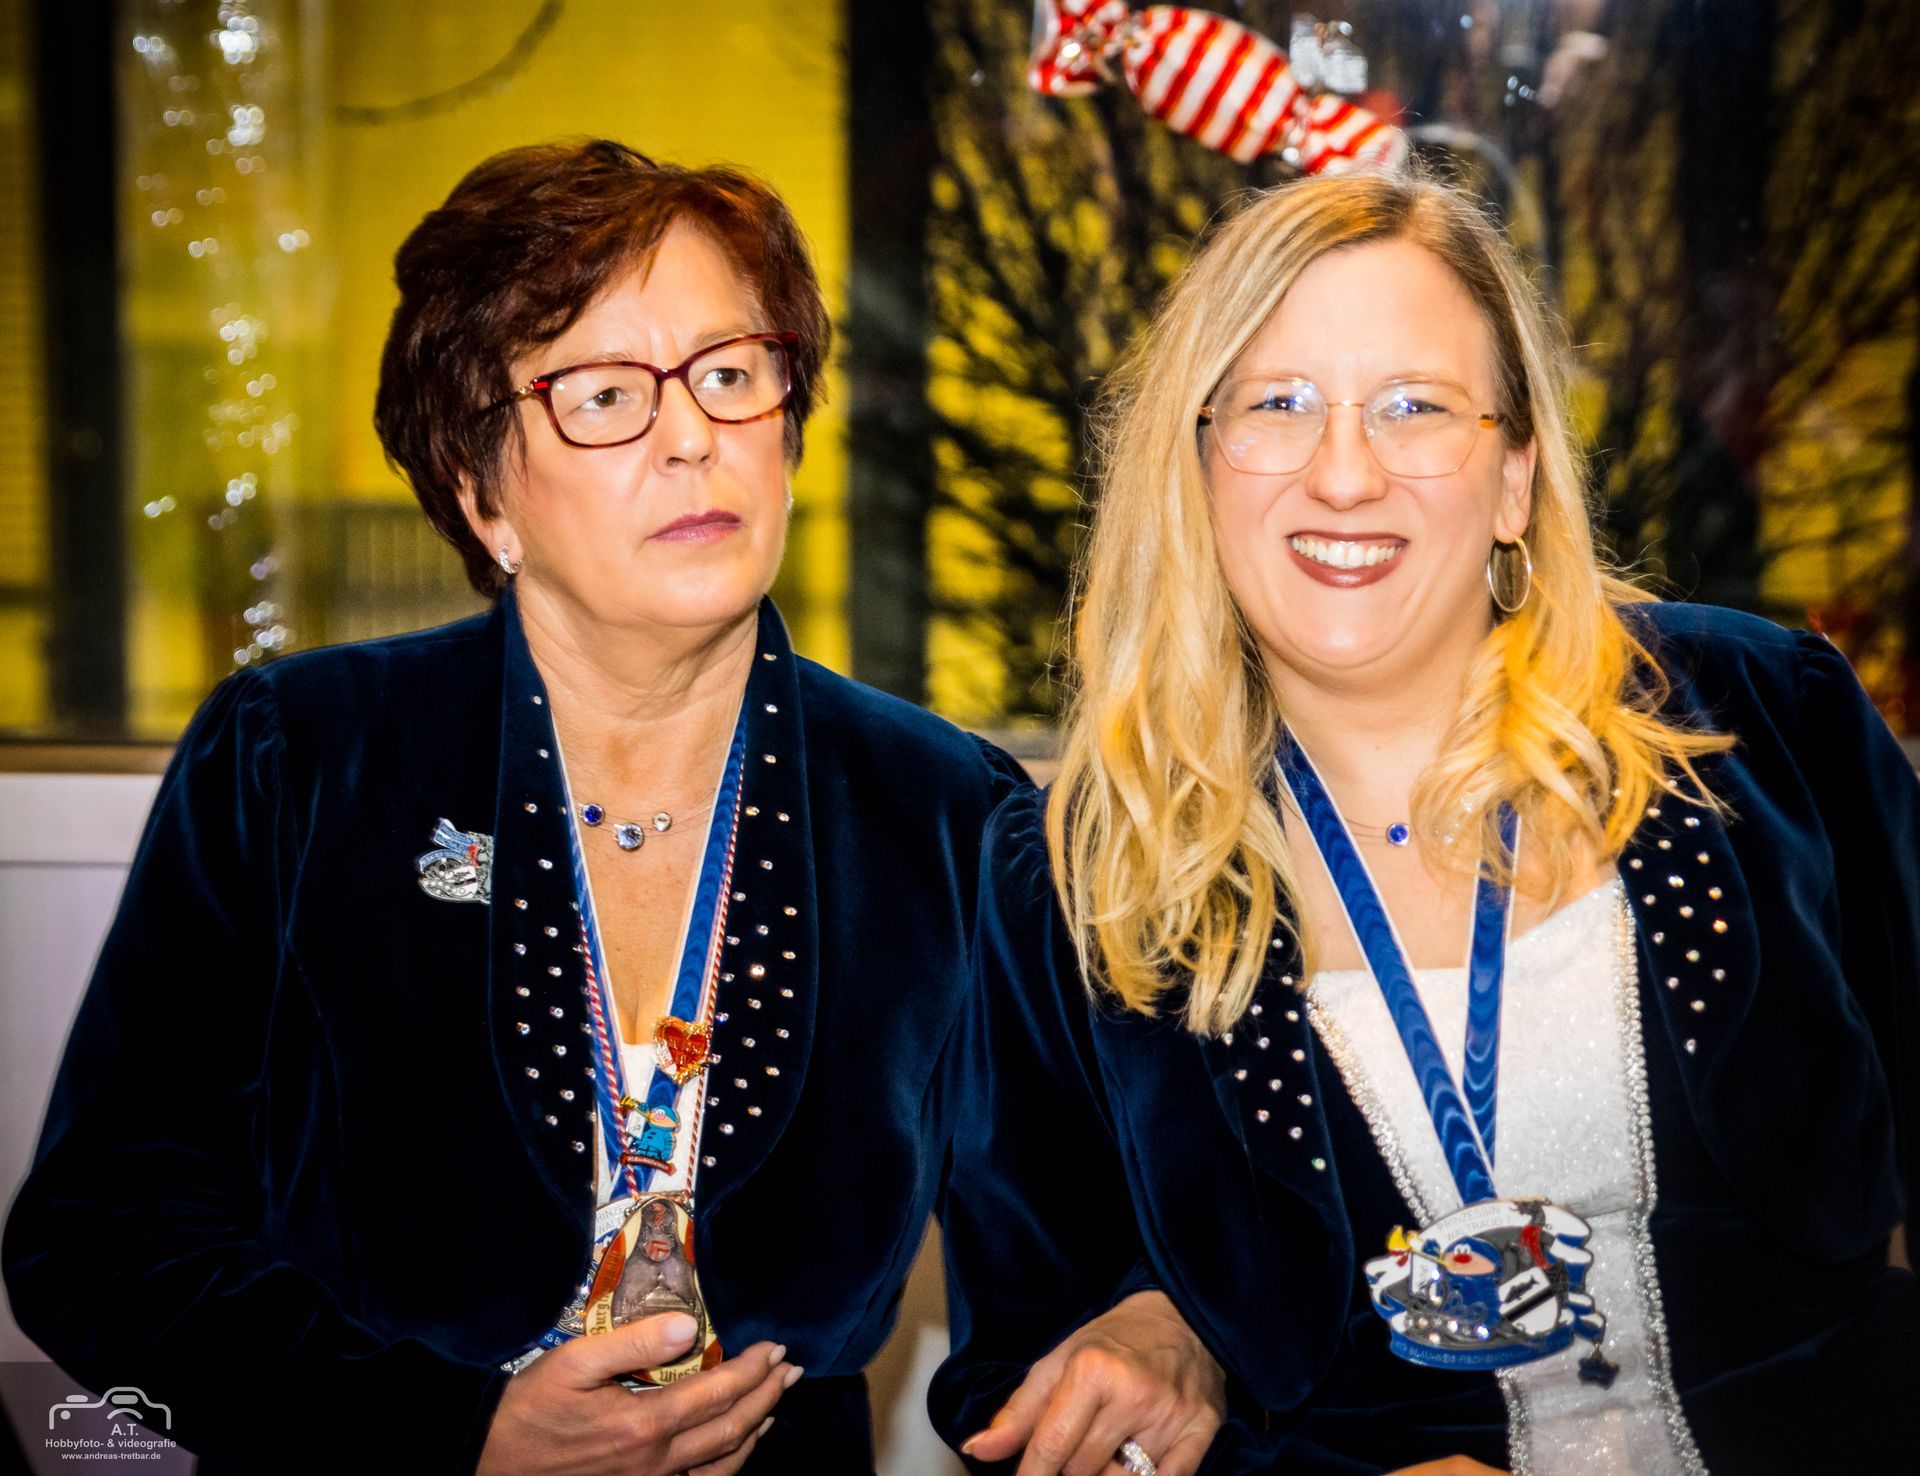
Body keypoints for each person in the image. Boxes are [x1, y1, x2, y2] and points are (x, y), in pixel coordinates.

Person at [2, 139, 1221, 1476]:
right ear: (480, 488)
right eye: (605, 395)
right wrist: (454, 1436)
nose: (693, 436)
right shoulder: (301, 760)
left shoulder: (943, 811)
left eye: (731, 375)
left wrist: (1160, 1319)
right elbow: (101, 1233)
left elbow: (1070, 1264)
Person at [934, 169, 1920, 1473]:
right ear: (1197, 469)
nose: (1345, 474)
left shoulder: (1766, 718)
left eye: (1415, 406)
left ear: (1515, 476)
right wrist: (1171, 1339)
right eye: (1278, 405)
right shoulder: (1069, 880)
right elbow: (1025, 1386)